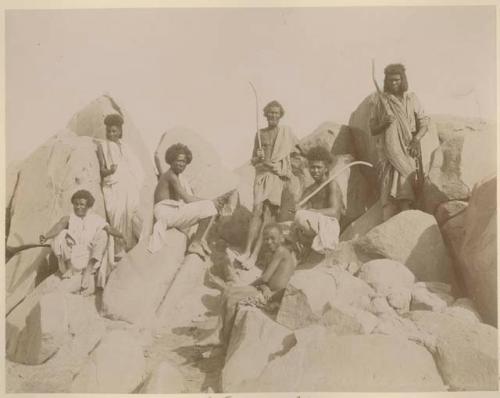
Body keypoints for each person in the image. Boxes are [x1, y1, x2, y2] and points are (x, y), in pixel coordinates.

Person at [199, 223, 297, 347]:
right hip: (266, 291)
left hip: (273, 297)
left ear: (281, 238)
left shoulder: (281, 251)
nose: (269, 241)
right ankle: (219, 334)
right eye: (266, 238)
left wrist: (250, 286)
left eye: (273, 238)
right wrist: (263, 286)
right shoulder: (270, 254)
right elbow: (266, 281)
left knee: (231, 295)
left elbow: (265, 277)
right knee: (228, 293)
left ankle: (222, 338)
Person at [235, 100, 299, 269]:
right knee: (256, 212)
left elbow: (295, 154)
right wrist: (259, 156)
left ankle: (254, 256)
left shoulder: (286, 133)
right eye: (270, 112)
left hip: (276, 177)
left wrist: (281, 168)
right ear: (265, 114)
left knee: (269, 216)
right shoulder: (259, 134)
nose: (273, 115)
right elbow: (253, 160)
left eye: (276, 113)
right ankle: (246, 251)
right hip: (262, 176)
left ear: (280, 115)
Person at [148, 143, 233, 256]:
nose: (181, 164)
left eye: (184, 161)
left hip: (170, 212)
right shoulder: (171, 176)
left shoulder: (176, 176)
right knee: (209, 207)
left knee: (211, 208)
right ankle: (195, 244)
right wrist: (210, 201)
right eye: (178, 160)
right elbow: (187, 199)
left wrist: (210, 202)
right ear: (171, 160)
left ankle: (201, 240)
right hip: (165, 214)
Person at [369, 63, 430, 221]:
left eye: (397, 80)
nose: (393, 84)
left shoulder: (411, 98)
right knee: (388, 194)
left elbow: (424, 122)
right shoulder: (379, 100)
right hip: (388, 152)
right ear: (386, 81)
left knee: (406, 187)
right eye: (390, 80)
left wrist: (416, 140)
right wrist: (384, 123)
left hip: (408, 148)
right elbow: (372, 128)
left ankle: (406, 223)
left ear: (403, 80)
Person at [39, 190, 125, 296]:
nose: (78, 207)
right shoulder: (69, 218)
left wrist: (121, 236)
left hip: (89, 257)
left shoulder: (96, 219)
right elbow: (59, 226)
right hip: (72, 258)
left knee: (103, 234)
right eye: (76, 204)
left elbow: (109, 229)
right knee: (61, 234)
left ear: (88, 205)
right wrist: (46, 236)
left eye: (82, 204)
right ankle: (70, 268)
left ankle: (88, 271)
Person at [96, 113, 144, 256]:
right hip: (113, 185)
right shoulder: (102, 146)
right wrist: (110, 171)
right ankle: (119, 249)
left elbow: (135, 168)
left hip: (128, 184)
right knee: (116, 213)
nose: (111, 134)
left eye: (114, 131)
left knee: (131, 212)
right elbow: (102, 169)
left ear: (120, 131)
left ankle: (133, 245)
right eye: (109, 131)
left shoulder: (126, 147)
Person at [290, 146, 345, 256]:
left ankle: (317, 244)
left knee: (300, 217)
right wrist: (296, 209)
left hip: (329, 225)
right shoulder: (310, 189)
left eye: (318, 167)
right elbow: (300, 209)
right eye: (312, 167)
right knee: (285, 227)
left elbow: (335, 213)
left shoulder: (331, 184)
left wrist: (310, 211)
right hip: (314, 225)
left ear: (326, 168)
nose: (315, 171)